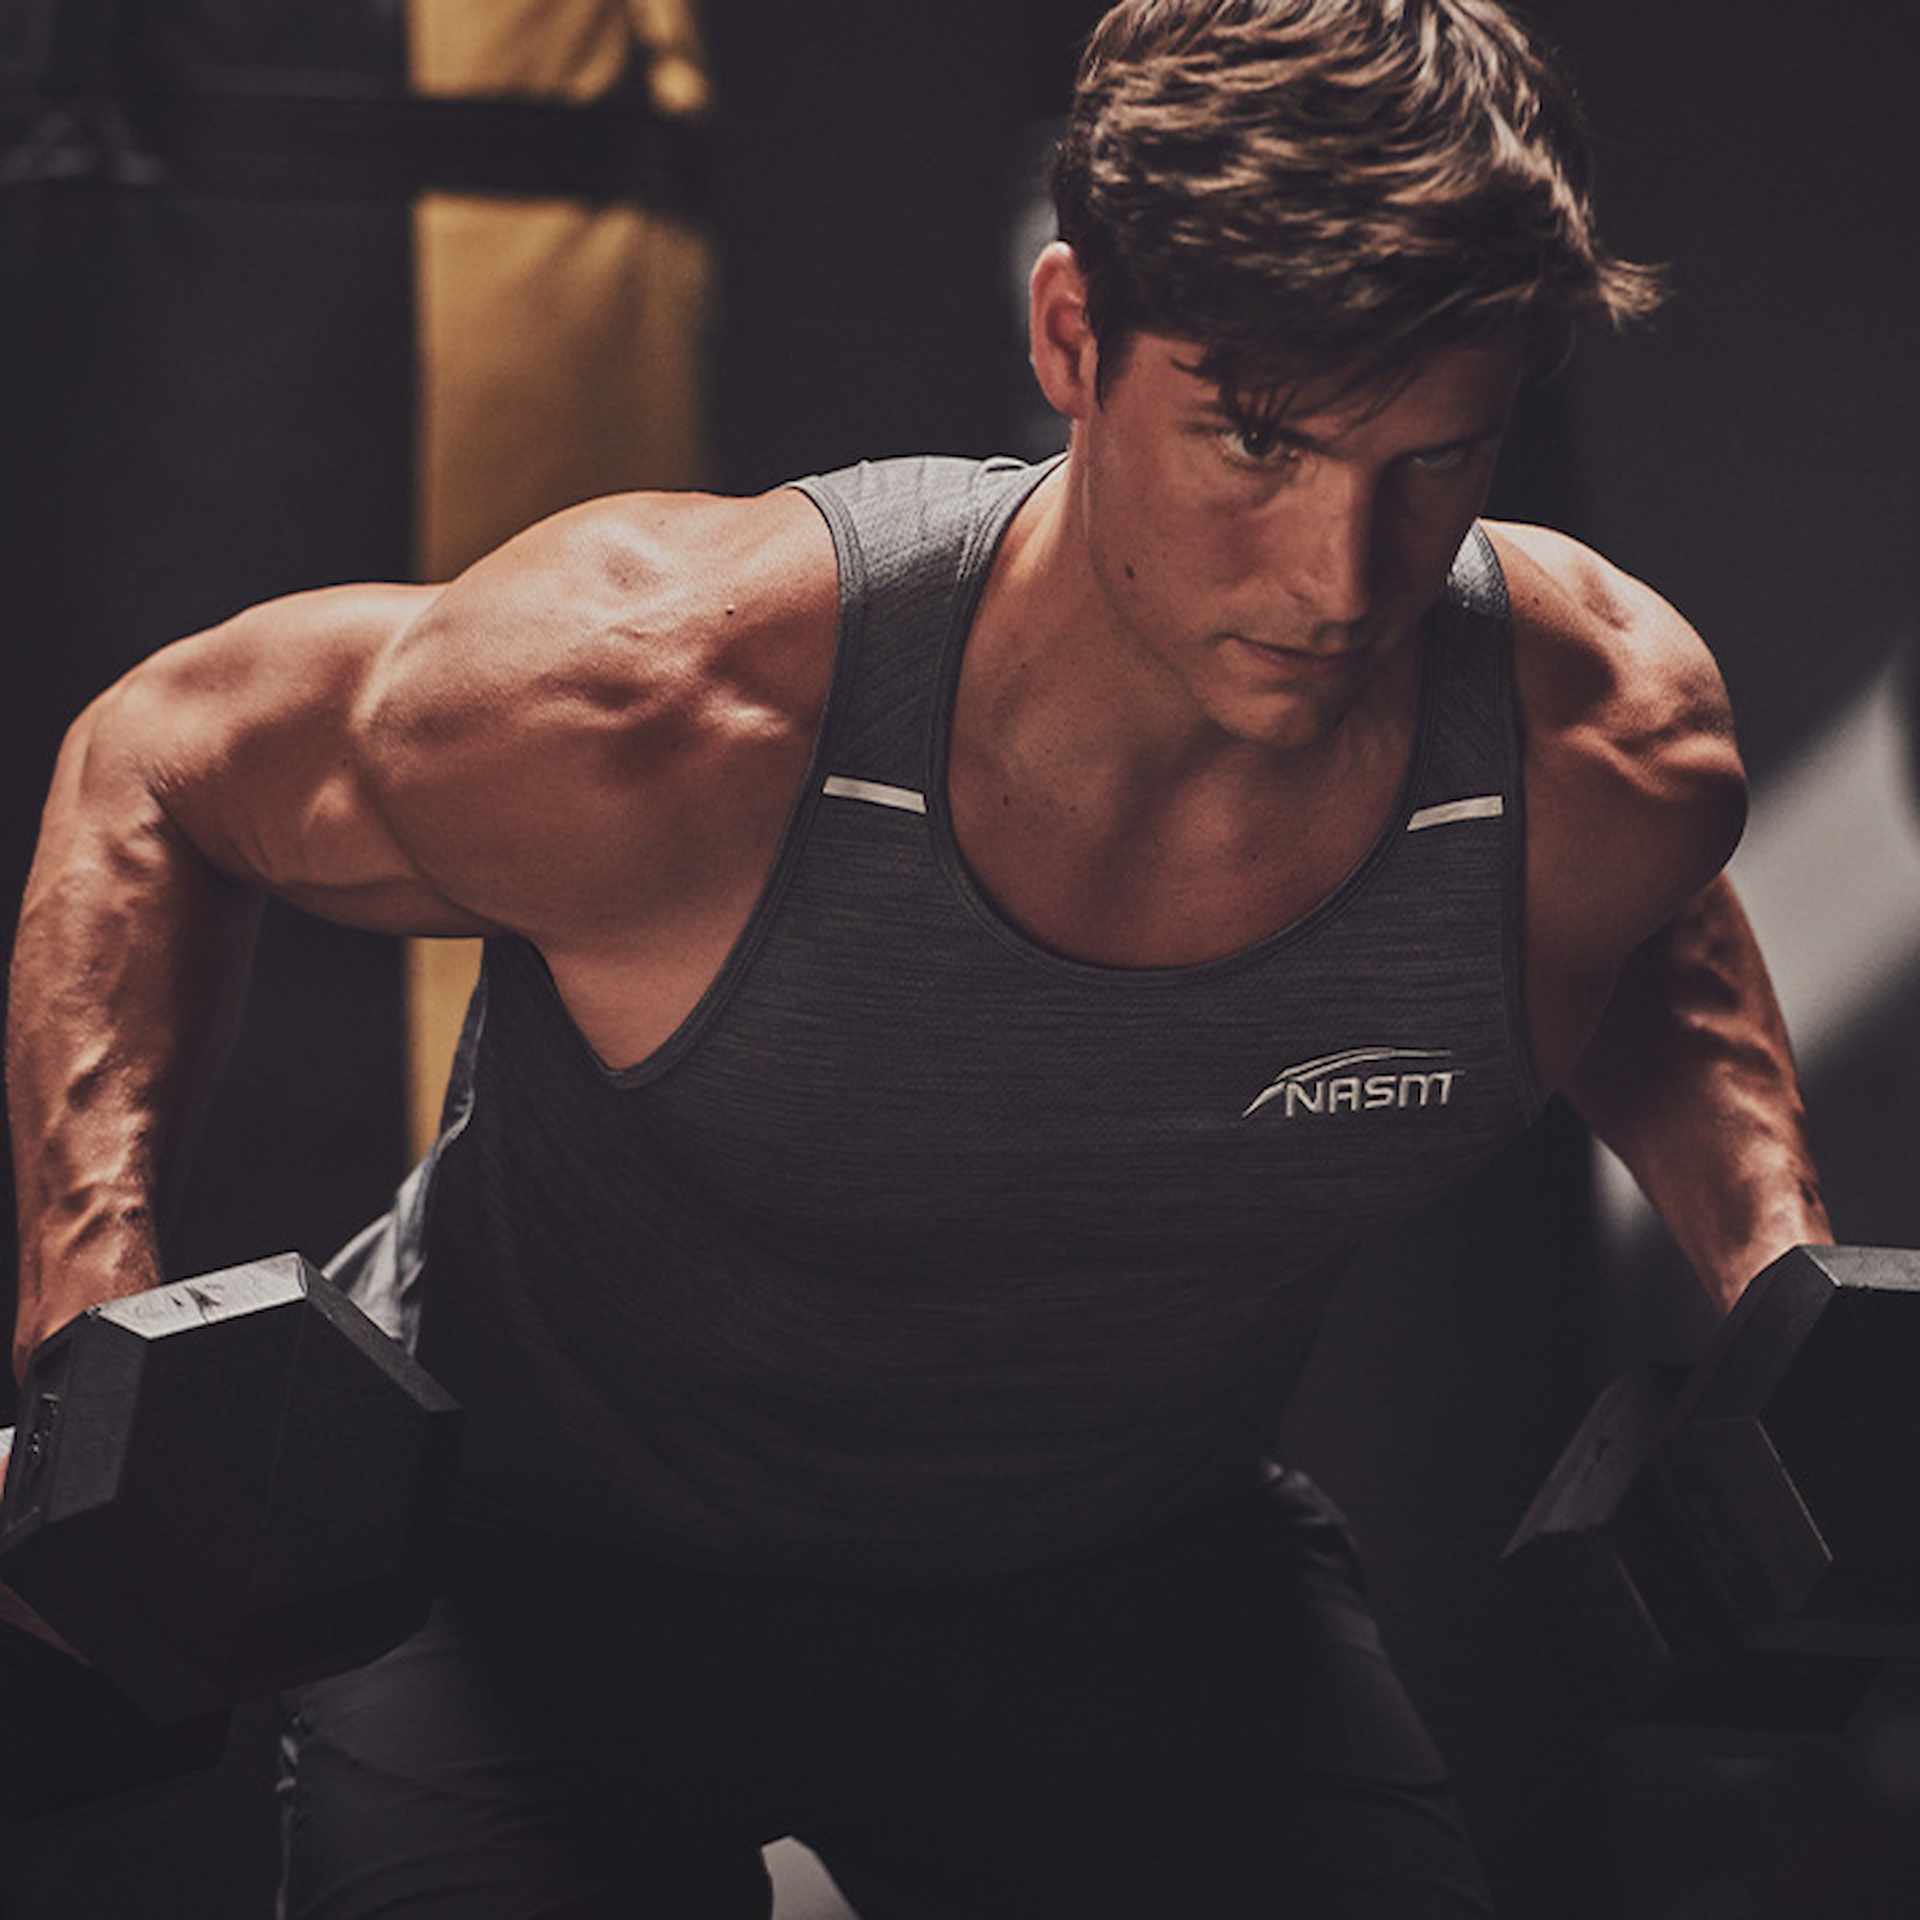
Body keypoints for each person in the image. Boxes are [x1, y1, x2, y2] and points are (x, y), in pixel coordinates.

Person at [7, 0, 1830, 1912]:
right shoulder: (672, 706)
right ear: (1071, 336)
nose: (1340, 577)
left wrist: (1768, 1263)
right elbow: (160, 763)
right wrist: (87, 1345)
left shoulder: (1591, 745)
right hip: (530, 1581)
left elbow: (1631, 916)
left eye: (1434, 460)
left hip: (1133, 1577)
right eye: (1256, 442)